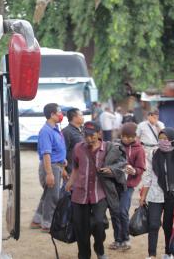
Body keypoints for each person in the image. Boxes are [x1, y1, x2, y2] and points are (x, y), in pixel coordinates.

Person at [65, 121, 127, 259]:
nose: (89, 139)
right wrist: (70, 182)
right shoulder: (78, 148)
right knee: (81, 228)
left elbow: (121, 165)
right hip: (80, 194)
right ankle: (84, 255)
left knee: (99, 223)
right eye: (86, 135)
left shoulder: (109, 148)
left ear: (99, 133)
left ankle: (99, 249)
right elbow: (76, 167)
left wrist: (111, 170)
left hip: (100, 193)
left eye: (92, 135)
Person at [139, 127, 174, 259]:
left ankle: (168, 252)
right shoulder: (153, 153)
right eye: (160, 138)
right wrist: (143, 195)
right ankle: (152, 255)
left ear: (172, 139)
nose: (162, 141)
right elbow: (148, 175)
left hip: (172, 195)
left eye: (165, 139)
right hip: (155, 194)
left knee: (168, 225)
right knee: (153, 224)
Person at [109, 122, 146, 251]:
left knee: (123, 211)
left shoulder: (139, 149)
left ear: (135, 136)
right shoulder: (115, 145)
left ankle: (125, 239)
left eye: (130, 137)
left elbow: (141, 168)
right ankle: (117, 239)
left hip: (128, 185)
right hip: (113, 184)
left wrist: (134, 171)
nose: (127, 139)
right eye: (124, 136)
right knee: (114, 212)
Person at [30, 103, 67, 232]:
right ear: (52, 114)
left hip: (57, 165)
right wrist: (49, 173)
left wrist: (63, 159)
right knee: (53, 196)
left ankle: (37, 220)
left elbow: (57, 148)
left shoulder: (56, 128)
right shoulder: (46, 131)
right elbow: (46, 154)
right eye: (59, 113)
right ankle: (47, 224)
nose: (61, 115)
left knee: (48, 194)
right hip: (51, 166)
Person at [136, 109, 165, 183]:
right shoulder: (141, 125)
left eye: (156, 116)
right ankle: (146, 184)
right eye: (153, 116)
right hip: (145, 148)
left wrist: (156, 125)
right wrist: (138, 148)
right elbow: (137, 137)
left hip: (156, 148)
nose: (155, 118)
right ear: (148, 116)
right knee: (146, 168)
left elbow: (163, 136)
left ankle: (156, 183)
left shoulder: (160, 124)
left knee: (157, 167)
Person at [61, 108, 84, 181]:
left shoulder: (82, 130)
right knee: (69, 191)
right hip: (71, 170)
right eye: (81, 115)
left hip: (82, 168)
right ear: (74, 118)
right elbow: (62, 151)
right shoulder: (66, 132)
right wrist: (63, 169)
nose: (83, 117)